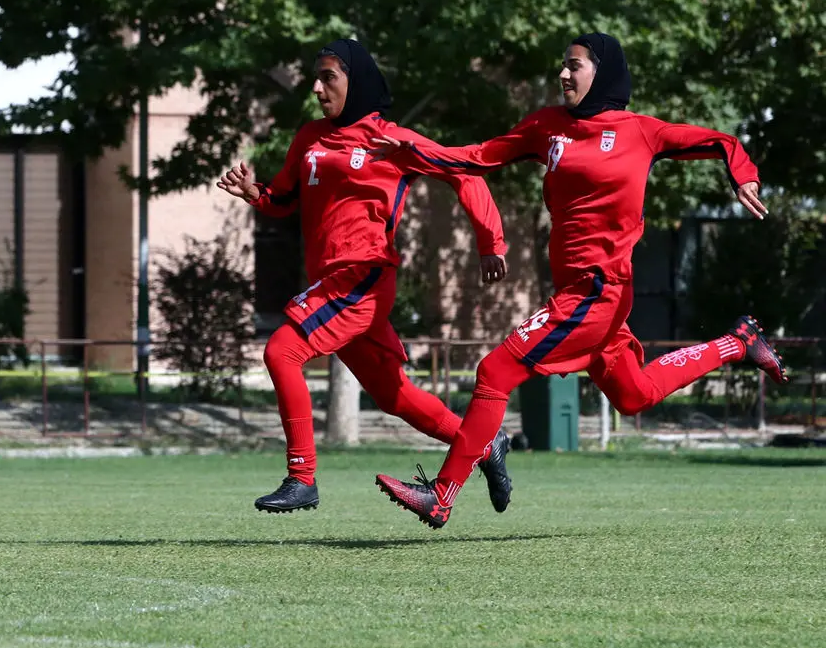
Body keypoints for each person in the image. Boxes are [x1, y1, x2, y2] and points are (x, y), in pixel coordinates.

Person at [370, 32, 788, 529]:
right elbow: (475, 157)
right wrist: (410, 147)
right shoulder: (546, 126)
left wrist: (742, 175)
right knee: (634, 396)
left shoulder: (640, 131)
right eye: (562, 66)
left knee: (494, 372)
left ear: (603, 72)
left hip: (600, 290)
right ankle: (737, 344)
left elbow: (721, 141)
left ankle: (441, 495)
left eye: (575, 66)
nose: (563, 75)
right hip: (578, 292)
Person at [217, 38, 515, 514]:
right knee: (394, 396)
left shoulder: (391, 139)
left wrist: (490, 243)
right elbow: (284, 199)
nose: (316, 88)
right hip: (333, 284)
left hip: (363, 277)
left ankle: (302, 477)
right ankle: (483, 442)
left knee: (281, 350)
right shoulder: (309, 137)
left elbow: (466, 173)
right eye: (315, 77)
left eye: (328, 77)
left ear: (355, 83)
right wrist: (255, 192)